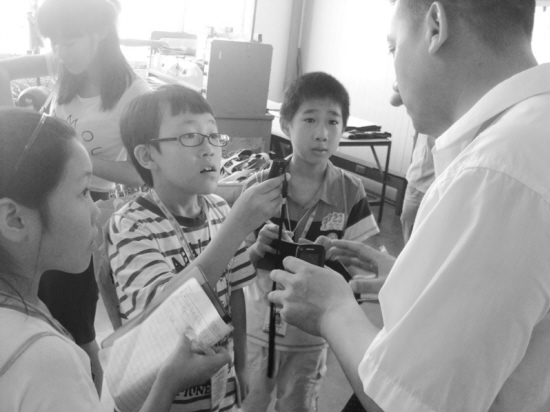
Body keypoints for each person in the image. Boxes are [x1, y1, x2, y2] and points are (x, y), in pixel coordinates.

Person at [268, 1, 550, 411]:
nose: (394, 94)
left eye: (393, 47)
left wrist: (333, 310)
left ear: (436, 25)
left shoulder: (498, 172)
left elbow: (405, 402)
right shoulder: (530, 138)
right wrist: (418, 278)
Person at [0, 107, 232, 412]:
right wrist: (168, 383)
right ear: (14, 219)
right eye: (83, 191)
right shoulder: (46, 362)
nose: (96, 210)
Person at [0, 0, 151, 393]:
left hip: (82, 208)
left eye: (69, 41)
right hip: (40, 200)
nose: (60, 51)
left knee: (77, 329)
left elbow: (144, 172)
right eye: (53, 41)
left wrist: (75, 161)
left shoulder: (134, 93)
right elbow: (4, 68)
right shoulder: (62, 65)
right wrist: (17, 135)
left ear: (98, 33)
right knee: (31, 309)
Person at [108, 84, 287, 412]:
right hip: (164, 396)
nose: (209, 149)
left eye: (213, 135)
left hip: (221, 383)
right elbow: (164, 316)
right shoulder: (132, 224)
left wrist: (242, 364)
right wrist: (237, 227)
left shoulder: (219, 209)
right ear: (147, 156)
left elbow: (236, 291)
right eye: (190, 136)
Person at [242, 72, 380, 412]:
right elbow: (234, 263)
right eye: (309, 119)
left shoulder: (350, 191)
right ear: (285, 124)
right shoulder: (260, 185)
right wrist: (258, 248)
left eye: (333, 121)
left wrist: (341, 261)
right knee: (249, 404)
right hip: (257, 330)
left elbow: (364, 268)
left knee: (299, 406)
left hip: (312, 336)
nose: (322, 133)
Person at [390, 83, 436, 244]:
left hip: (437, 181)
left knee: (428, 239)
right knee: (409, 234)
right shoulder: (426, 88)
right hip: (419, 179)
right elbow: (394, 99)